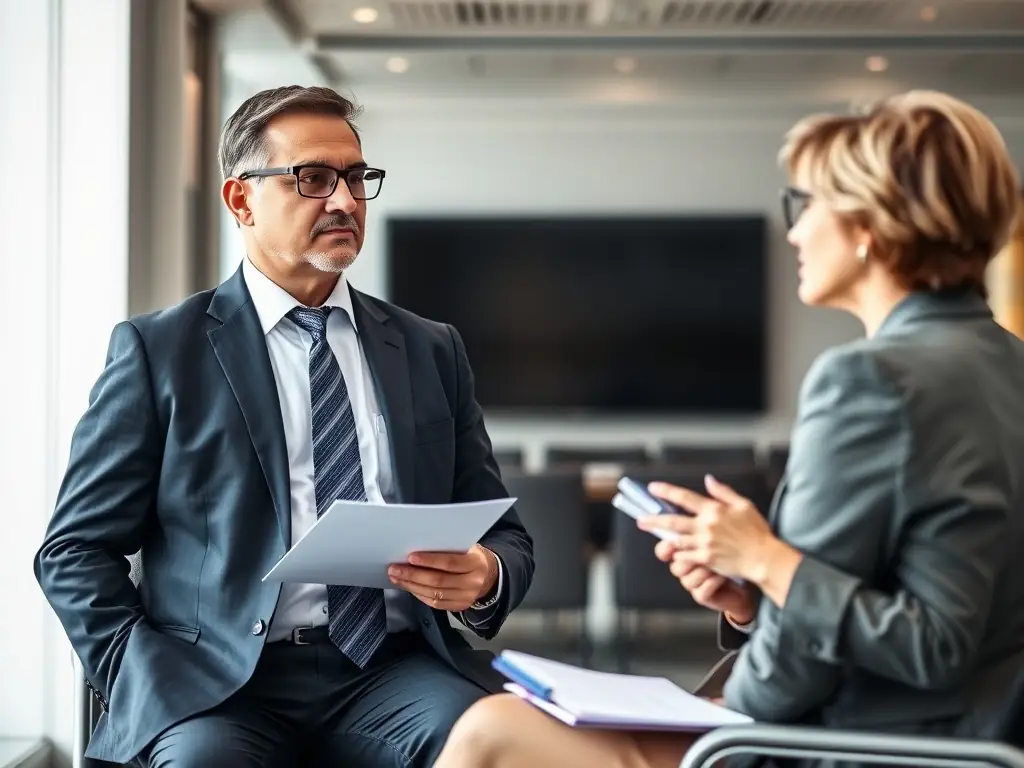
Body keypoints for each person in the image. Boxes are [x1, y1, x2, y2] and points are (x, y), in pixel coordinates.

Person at [433, 90, 1024, 768]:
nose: (795, 232)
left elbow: (916, 645)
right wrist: (751, 597)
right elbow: (929, 602)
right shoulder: (1006, 365)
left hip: (864, 743)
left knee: (493, 729)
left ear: (868, 226)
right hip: (975, 736)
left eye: (805, 207)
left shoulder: (870, 381)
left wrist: (764, 561)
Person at [34, 85, 534, 767]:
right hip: (216, 683)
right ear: (241, 200)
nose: (344, 202)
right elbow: (73, 551)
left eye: (357, 179)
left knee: (503, 742)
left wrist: (484, 573)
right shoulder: (160, 351)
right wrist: (136, 671)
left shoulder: (429, 348)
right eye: (313, 178)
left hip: (392, 671)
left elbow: (501, 531)